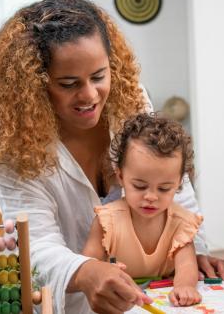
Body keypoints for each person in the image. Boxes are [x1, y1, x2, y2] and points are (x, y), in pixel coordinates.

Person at [0, 0, 224, 314]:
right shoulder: (15, 144)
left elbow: (169, 182)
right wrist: (84, 272)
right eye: (69, 83)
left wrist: (194, 248)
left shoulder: (130, 100)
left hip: (156, 296)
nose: (89, 95)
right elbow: (35, 245)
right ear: (34, 85)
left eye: (99, 76)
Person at [83, 112, 202, 306]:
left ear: (179, 183)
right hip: (119, 303)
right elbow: (88, 261)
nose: (151, 197)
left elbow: (187, 265)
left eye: (164, 188)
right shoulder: (107, 220)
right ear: (120, 176)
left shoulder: (181, 223)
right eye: (139, 186)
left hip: (164, 304)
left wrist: (185, 287)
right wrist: (102, 270)